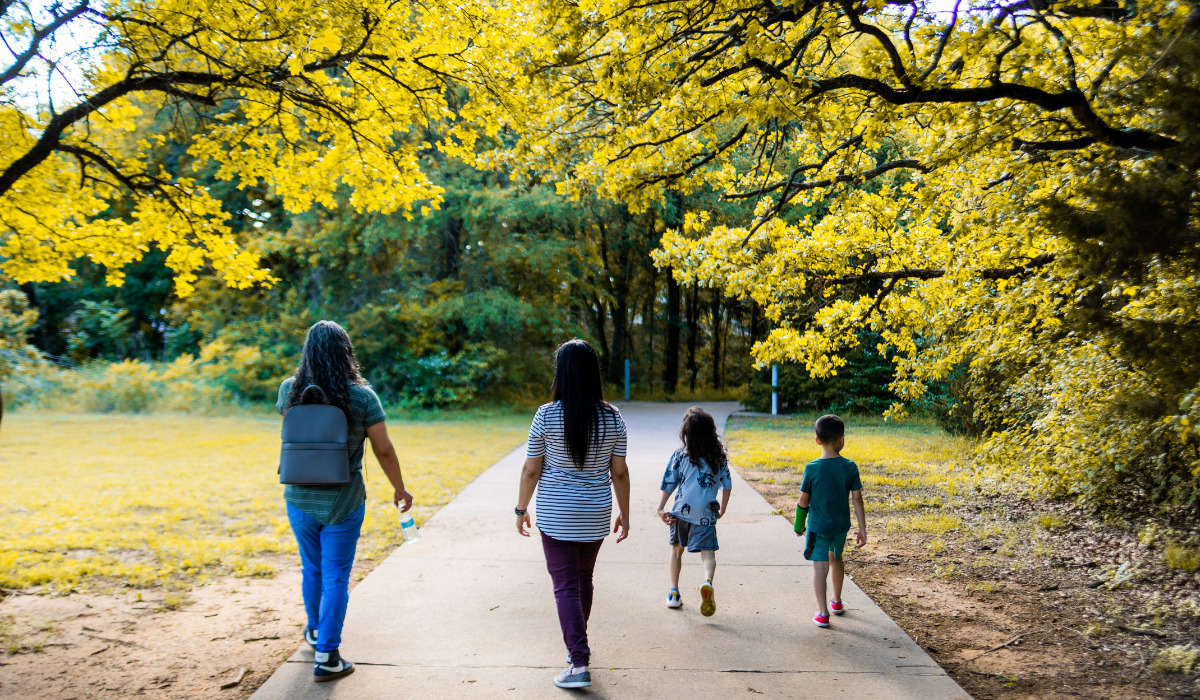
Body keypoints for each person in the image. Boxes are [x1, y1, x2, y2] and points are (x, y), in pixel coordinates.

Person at [278, 320, 414, 682]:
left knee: (313, 568)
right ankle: (328, 656)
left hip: (299, 496)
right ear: (346, 352)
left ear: (308, 351)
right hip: (344, 500)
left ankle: (315, 631)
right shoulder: (362, 397)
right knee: (336, 576)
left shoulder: (290, 390)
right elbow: (383, 449)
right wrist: (400, 488)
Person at [515, 339, 631, 689]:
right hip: (595, 514)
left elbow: (531, 469)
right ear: (594, 373)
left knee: (566, 585)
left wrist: (521, 508)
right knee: (583, 579)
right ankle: (574, 649)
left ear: (561, 373)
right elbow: (620, 473)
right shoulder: (613, 417)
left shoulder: (546, 414)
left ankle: (578, 662)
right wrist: (625, 513)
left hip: (556, 515)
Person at [656, 407, 732, 616]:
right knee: (708, 554)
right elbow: (727, 485)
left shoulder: (680, 455)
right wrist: (722, 508)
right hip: (706, 514)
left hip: (681, 511)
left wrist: (660, 507)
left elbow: (669, 483)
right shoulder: (719, 457)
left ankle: (673, 593)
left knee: (676, 550)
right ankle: (707, 581)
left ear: (686, 432)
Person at [795, 414, 866, 628]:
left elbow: (803, 500)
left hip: (818, 527)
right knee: (837, 558)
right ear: (842, 440)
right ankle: (836, 602)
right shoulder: (850, 466)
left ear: (817, 440)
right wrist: (862, 528)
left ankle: (823, 613)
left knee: (819, 568)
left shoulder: (812, 468)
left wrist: (799, 524)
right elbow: (857, 498)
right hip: (841, 526)